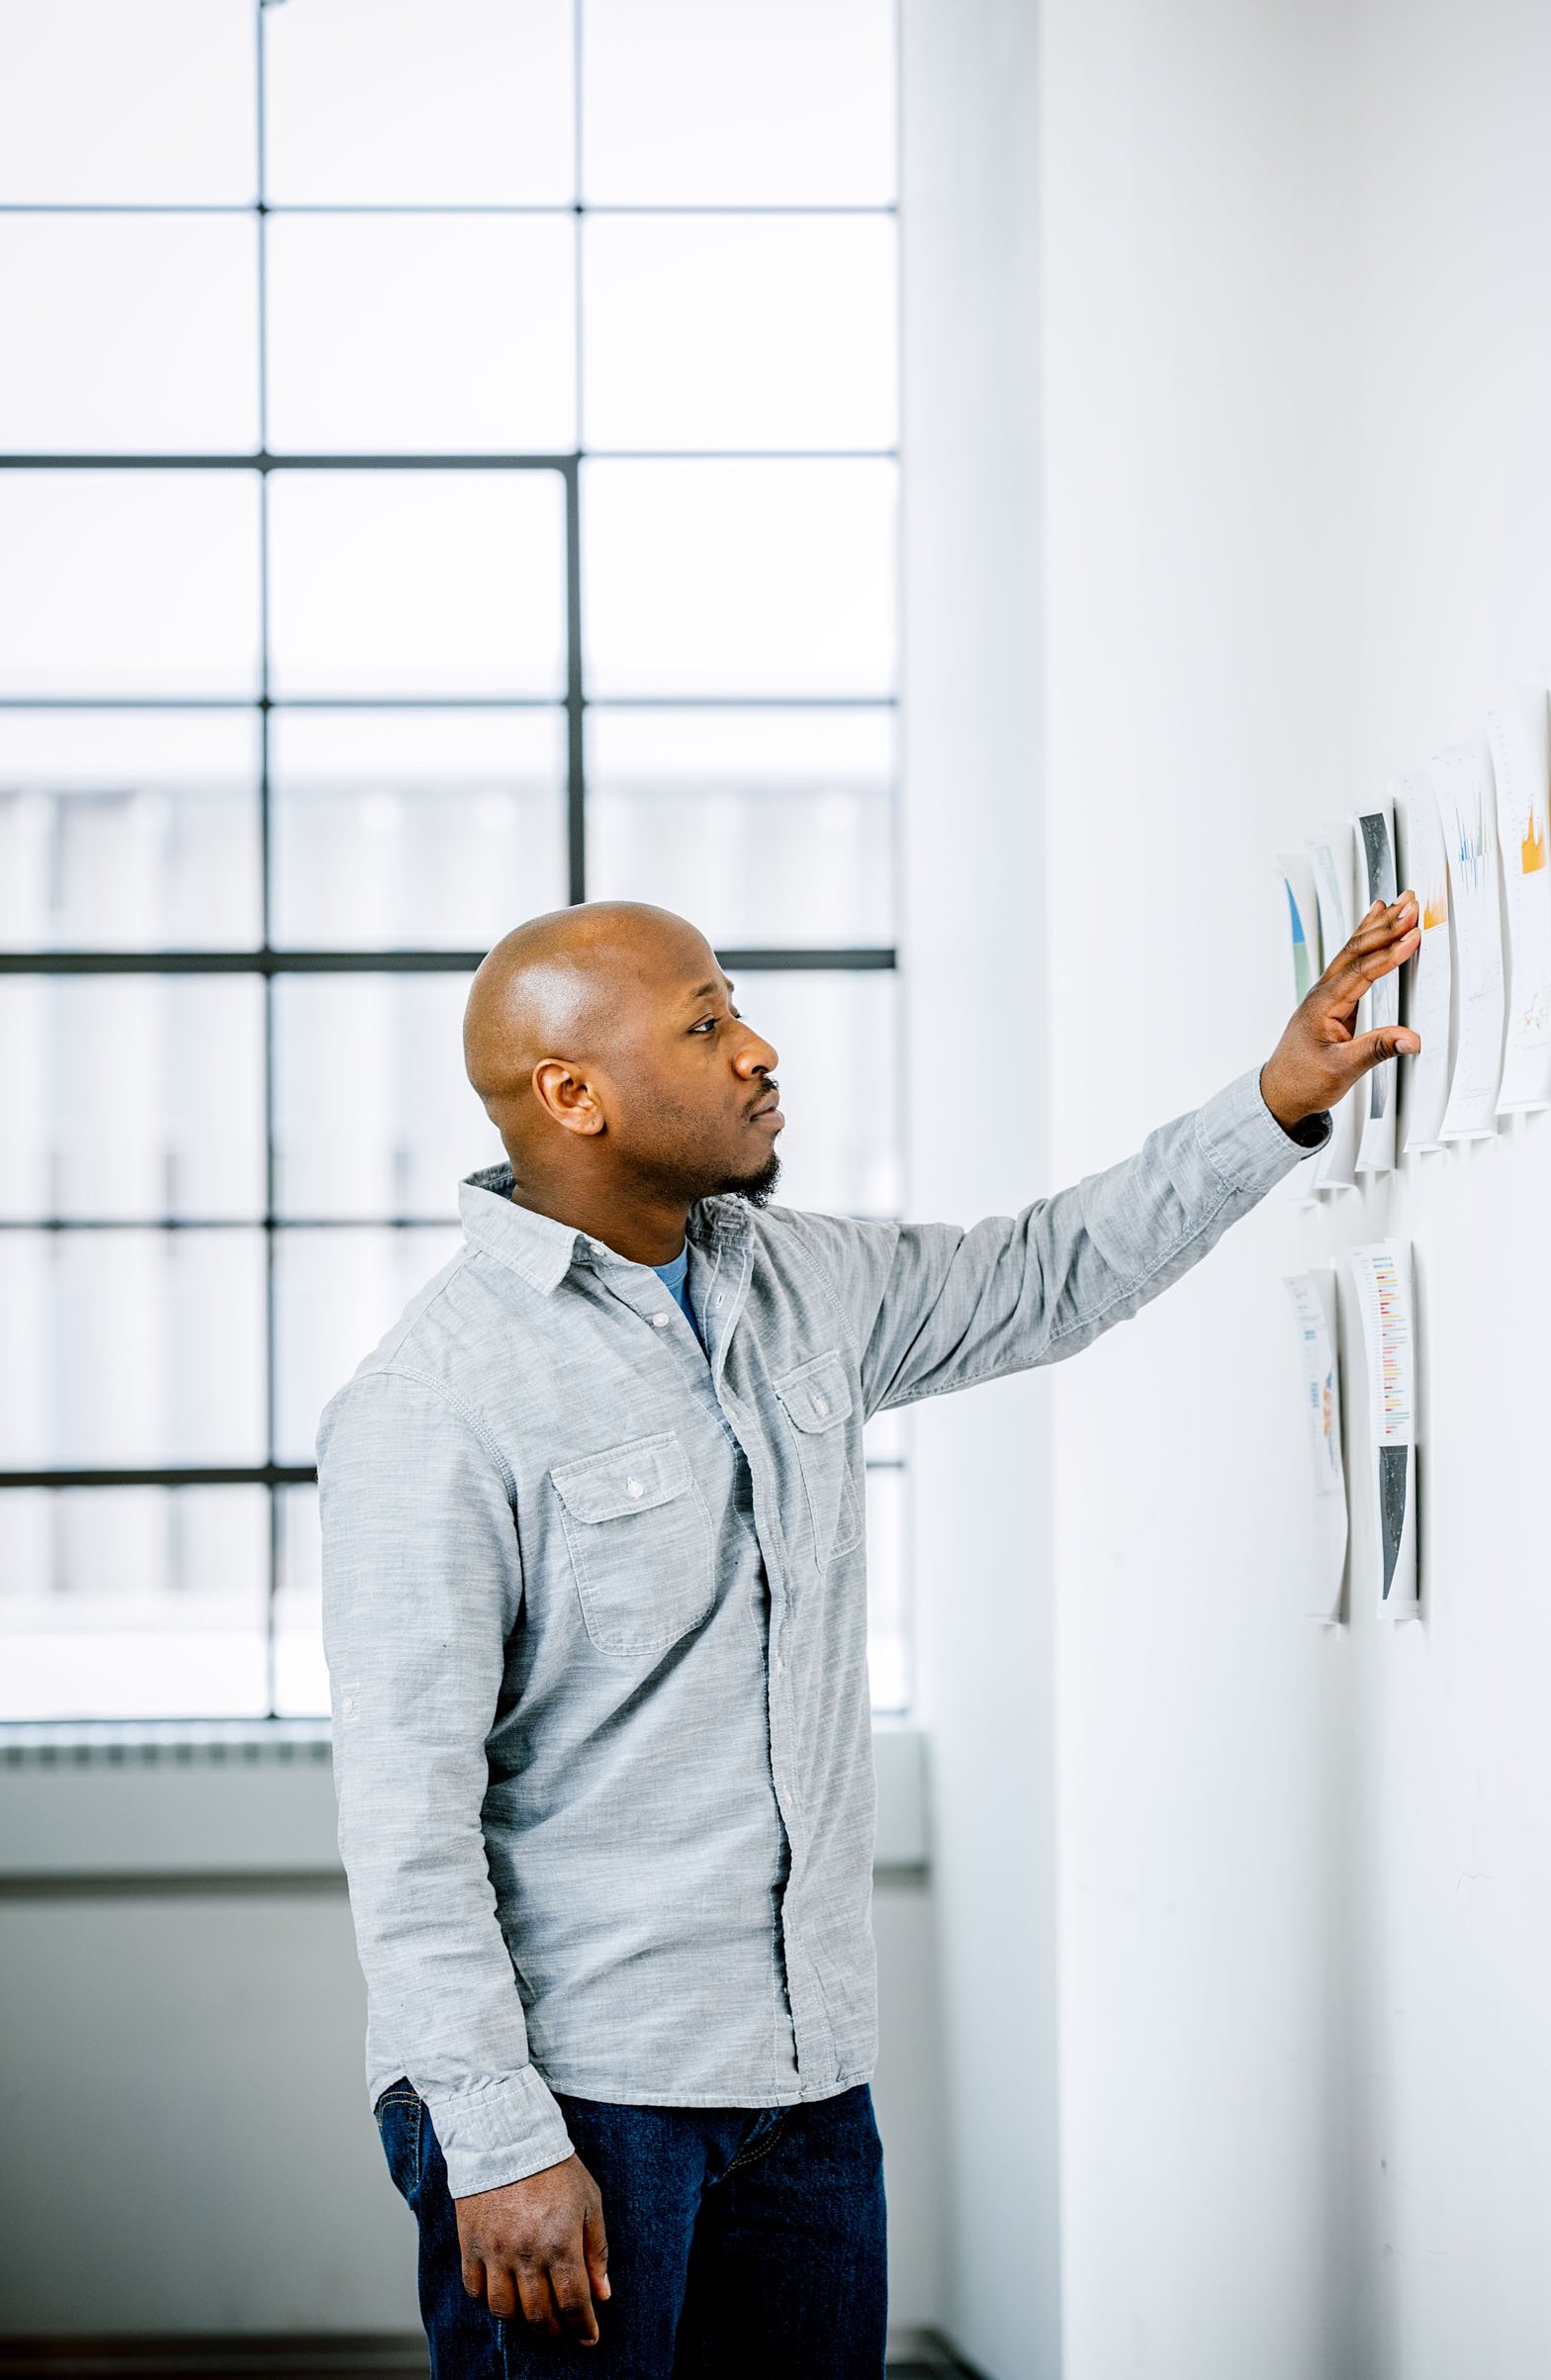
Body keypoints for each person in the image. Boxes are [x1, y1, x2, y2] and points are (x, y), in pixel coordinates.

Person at [319, 891, 1419, 2378]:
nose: (759, 1051)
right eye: (704, 1025)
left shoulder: (798, 1285)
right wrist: (500, 2140)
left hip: (804, 2091)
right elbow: (409, 1826)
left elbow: (1051, 1272)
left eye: (736, 1008)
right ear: (572, 1095)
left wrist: (1278, 1100)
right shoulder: (432, 1401)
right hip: (580, 2109)